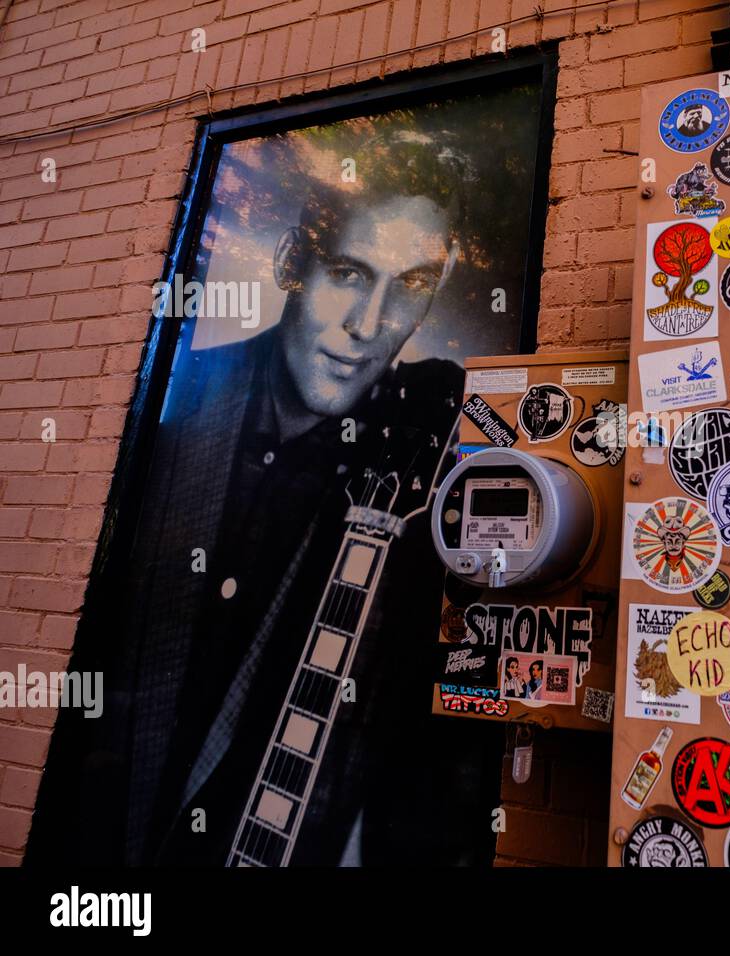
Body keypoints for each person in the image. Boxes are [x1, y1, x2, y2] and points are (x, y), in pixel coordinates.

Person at [28, 122, 485, 867]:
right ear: (292, 259)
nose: (368, 327)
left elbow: (435, 771)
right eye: (346, 272)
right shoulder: (166, 420)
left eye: (409, 287)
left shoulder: (427, 461)